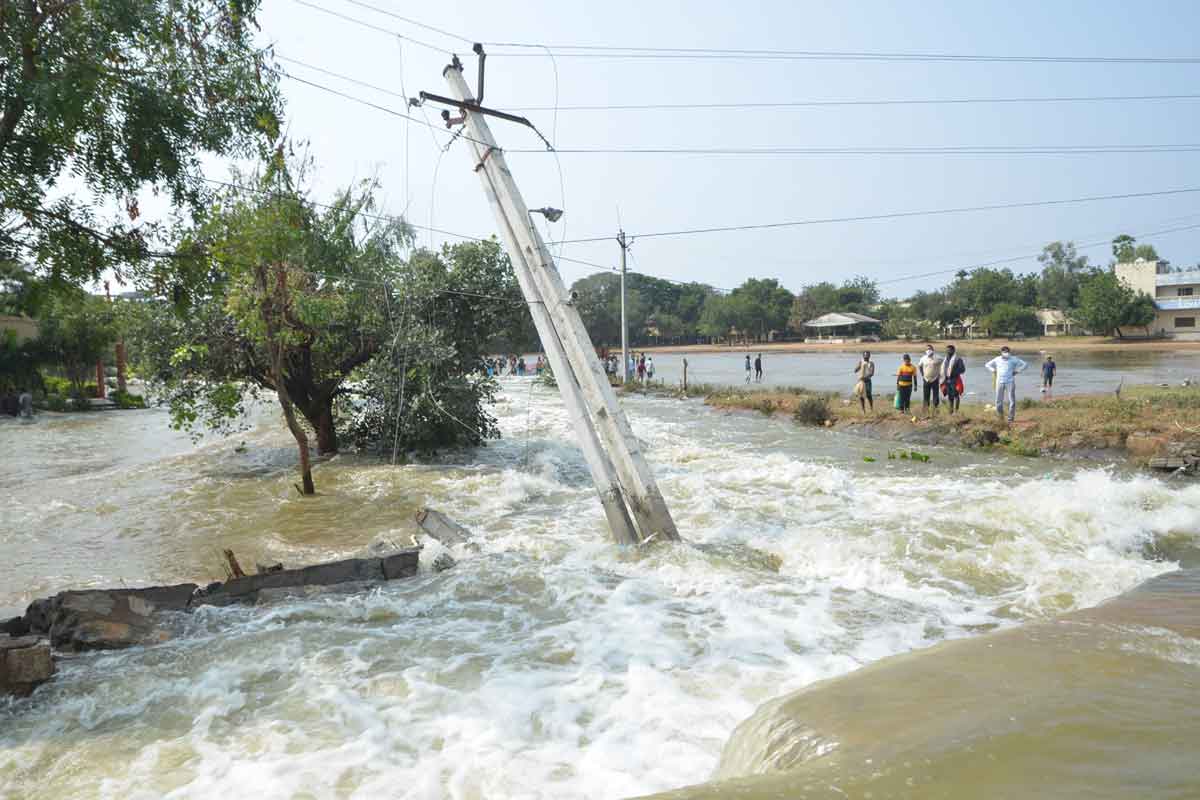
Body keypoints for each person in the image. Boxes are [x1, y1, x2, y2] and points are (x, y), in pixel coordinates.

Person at [985, 346, 1027, 423]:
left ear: (1009, 352)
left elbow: (1025, 364)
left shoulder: (1014, 359)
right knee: (998, 401)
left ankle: (1010, 419)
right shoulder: (997, 359)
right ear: (1001, 352)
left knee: (1012, 401)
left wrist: (1017, 371)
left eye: (1007, 352)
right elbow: (987, 365)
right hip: (999, 382)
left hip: (1010, 382)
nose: (1006, 353)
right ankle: (1000, 417)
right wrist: (993, 370)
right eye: (1004, 352)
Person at [917, 345, 943, 414]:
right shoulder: (923, 358)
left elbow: (943, 365)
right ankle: (925, 410)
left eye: (930, 349)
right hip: (926, 379)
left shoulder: (938, 357)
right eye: (927, 349)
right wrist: (922, 375)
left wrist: (940, 374)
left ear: (933, 350)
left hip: (935, 379)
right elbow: (919, 366)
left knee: (936, 395)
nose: (928, 350)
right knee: (926, 395)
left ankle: (935, 410)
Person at [941, 344, 966, 414]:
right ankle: (950, 411)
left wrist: (954, 373)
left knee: (956, 395)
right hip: (947, 380)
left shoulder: (958, 359)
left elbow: (963, 369)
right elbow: (943, 370)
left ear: (953, 351)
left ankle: (956, 411)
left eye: (949, 350)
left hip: (955, 380)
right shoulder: (945, 359)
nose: (947, 351)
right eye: (947, 350)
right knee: (949, 396)